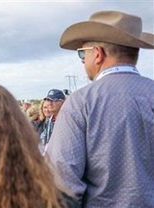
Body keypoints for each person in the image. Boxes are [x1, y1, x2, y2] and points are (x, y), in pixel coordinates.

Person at [47, 11, 154, 207]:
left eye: (82, 52)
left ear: (98, 53)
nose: (82, 59)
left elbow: (62, 184)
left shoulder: (81, 102)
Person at [39, 89, 65, 155]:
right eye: (48, 100)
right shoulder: (49, 121)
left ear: (62, 102)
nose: (50, 103)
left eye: (54, 100)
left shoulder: (68, 119)